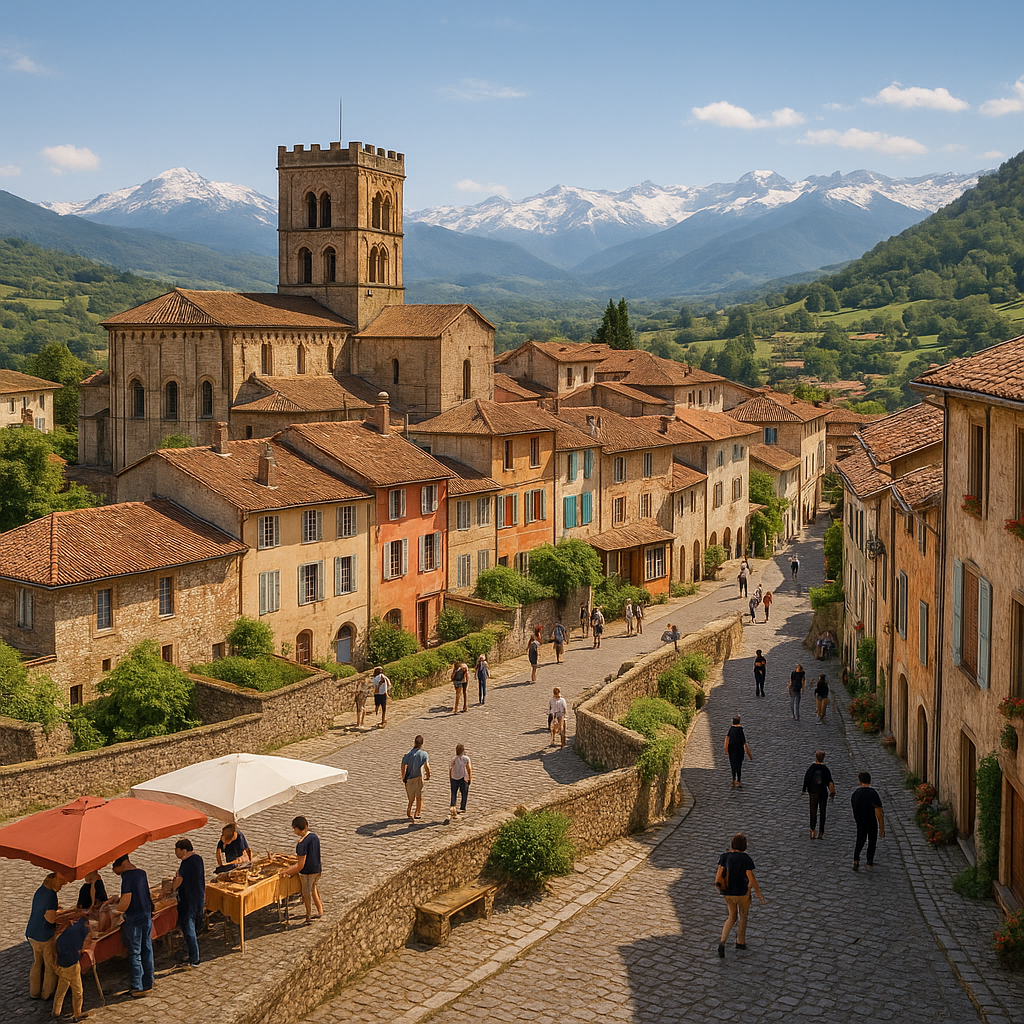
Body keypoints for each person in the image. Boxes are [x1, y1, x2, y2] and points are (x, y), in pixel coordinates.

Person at [716, 832, 765, 957]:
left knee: (731, 917)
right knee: (743, 916)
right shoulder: (746, 859)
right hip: (743, 893)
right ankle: (740, 941)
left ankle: (722, 942)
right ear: (744, 846)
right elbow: (751, 878)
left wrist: (721, 889)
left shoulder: (724, 857)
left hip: (729, 894)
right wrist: (758, 893)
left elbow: (718, 877)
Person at [113, 853, 154, 997]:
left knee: (135, 952)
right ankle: (149, 981)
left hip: (134, 918)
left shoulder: (127, 877)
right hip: (146, 915)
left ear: (121, 864)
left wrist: (116, 911)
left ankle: (137, 986)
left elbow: (126, 899)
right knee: (147, 948)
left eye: (116, 870)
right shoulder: (142, 873)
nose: (117, 873)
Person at [26, 871, 66, 1000]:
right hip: (44, 935)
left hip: (32, 933)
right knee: (50, 966)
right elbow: (50, 919)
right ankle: (47, 993)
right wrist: (57, 916)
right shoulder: (51, 895)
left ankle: (34, 991)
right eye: (62, 883)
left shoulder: (40, 891)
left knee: (37, 962)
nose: (62, 886)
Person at [52, 912, 95, 1022]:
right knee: (78, 990)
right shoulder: (82, 932)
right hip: (71, 964)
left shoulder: (72, 928)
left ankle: (56, 1010)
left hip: (60, 962)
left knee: (62, 987)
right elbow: (83, 947)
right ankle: (77, 1014)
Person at [279, 816, 323, 922]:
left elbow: (300, 865)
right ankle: (320, 910)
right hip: (317, 869)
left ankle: (308, 914)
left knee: (306, 893)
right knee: (313, 889)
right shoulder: (314, 837)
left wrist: (286, 871)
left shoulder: (301, 845)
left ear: (296, 829)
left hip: (307, 872)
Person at [172, 838, 205, 968]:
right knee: (194, 925)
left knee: (188, 927)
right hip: (198, 897)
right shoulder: (198, 859)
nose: (176, 853)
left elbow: (179, 880)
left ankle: (194, 958)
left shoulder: (186, 863)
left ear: (184, 850)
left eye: (177, 851)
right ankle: (192, 952)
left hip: (188, 899)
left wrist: (173, 887)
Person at [851, 771, 885, 870]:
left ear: (860, 781)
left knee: (860, 840)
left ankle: (856, 860)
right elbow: (878, 811)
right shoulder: (873, 793)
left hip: (860, 821)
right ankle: (869, 861)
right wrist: (881, 827)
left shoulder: (856, 794)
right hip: (871, 820)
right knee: (872, 840)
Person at [802, 750, 836, 839]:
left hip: (813, 792)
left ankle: (812, 830)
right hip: (823, 792)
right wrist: (832, 792)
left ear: (816, 757)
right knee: (822, 812)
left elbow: (807, 778)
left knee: (813, 812)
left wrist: (804, 789)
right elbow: (830, 782)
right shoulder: (825, 769)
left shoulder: (812, 768)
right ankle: (821, 832)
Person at [401, 735, 431, 820]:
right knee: (419, 797)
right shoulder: (424, 754)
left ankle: (409, 810)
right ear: (422, 744)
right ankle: (417, 813)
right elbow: (427, 767)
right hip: (419, 778)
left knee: (411, 798)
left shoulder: (409, 754)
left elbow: (403, 764)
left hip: (409, 779)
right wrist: (428, 775)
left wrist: (403, 776)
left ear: (414, 743)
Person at [723, 716, 753, 788]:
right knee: (739, 765)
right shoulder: (740, 731)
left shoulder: (731, 729)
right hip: (739, 751)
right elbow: (744, 743)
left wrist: (726, 749)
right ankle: (739, 780)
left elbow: (726, 739)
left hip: (732, 750)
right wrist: (749, 755)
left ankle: (733, 778)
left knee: (733, 765)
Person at [447, 743, 472, 823]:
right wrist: (470, 778)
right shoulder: (466, 759)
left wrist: (450, 777)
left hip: (454, 778)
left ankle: (453, 806)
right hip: (463, 778)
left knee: (454, 793)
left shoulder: (454, 759)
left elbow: (451, 768)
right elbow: (469, 769)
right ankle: (462, 808)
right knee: (464, 793)